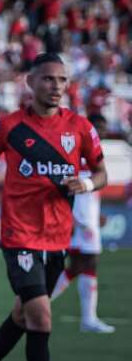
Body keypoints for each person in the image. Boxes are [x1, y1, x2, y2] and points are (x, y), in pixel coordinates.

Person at [0, 53, 107, 361]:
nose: (56, 86)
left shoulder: (80, 127)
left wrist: (87, 184)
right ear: (30, 82)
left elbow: (102, 173)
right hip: (19, 235)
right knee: (41, 317)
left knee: (22, 312)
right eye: (48, 79)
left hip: (58, 237)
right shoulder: (9, 126)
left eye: (62, 80)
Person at [50, 113, 114, 333]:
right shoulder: (75, 153)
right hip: (79, 220)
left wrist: (96, 215)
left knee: (87, 265)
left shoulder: (95, 155)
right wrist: (73, 219)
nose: (102, 131)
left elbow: (90, 188)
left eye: (104, 127)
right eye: (99, 127)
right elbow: (69, 186)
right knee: (82, 263)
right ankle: (39, 303)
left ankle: (88, 318)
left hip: (88, 219)